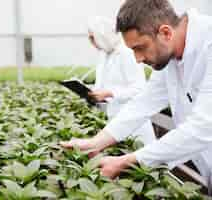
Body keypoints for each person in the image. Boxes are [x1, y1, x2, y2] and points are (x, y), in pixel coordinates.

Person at [61, 0, 212, 184]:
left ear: (165, 32)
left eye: (140, 48)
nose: (138, 59)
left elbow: (204, 126)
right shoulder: (170, 56)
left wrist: (126, 161)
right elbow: (144, 102)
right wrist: (96, 142)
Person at [87, 16, 155, 145]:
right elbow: (104, 84)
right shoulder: (105, 54)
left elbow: (139, 88)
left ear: (102, 34)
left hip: (134, 121)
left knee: (140, 158)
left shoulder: (127, 52)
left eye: (92, 37)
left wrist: (110, 93)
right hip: (115, 120)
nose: (91, 42)